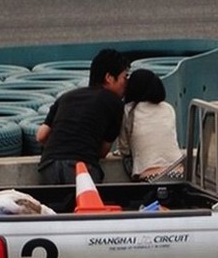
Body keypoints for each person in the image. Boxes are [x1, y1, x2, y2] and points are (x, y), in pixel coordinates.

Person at [36, 48, 129, 185]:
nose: (126, 83)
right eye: (124, 77)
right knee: (88, 206)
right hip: (81, 167)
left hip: (48, 165)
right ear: (109, 78)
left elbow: (41, 136)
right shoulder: (114, 103)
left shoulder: (67, 96)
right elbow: (103, 151)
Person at [116, 68, 183, 181]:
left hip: (150, 176)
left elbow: (124, 148)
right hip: (179, 172)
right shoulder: (168, 108)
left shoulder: (128, 110)